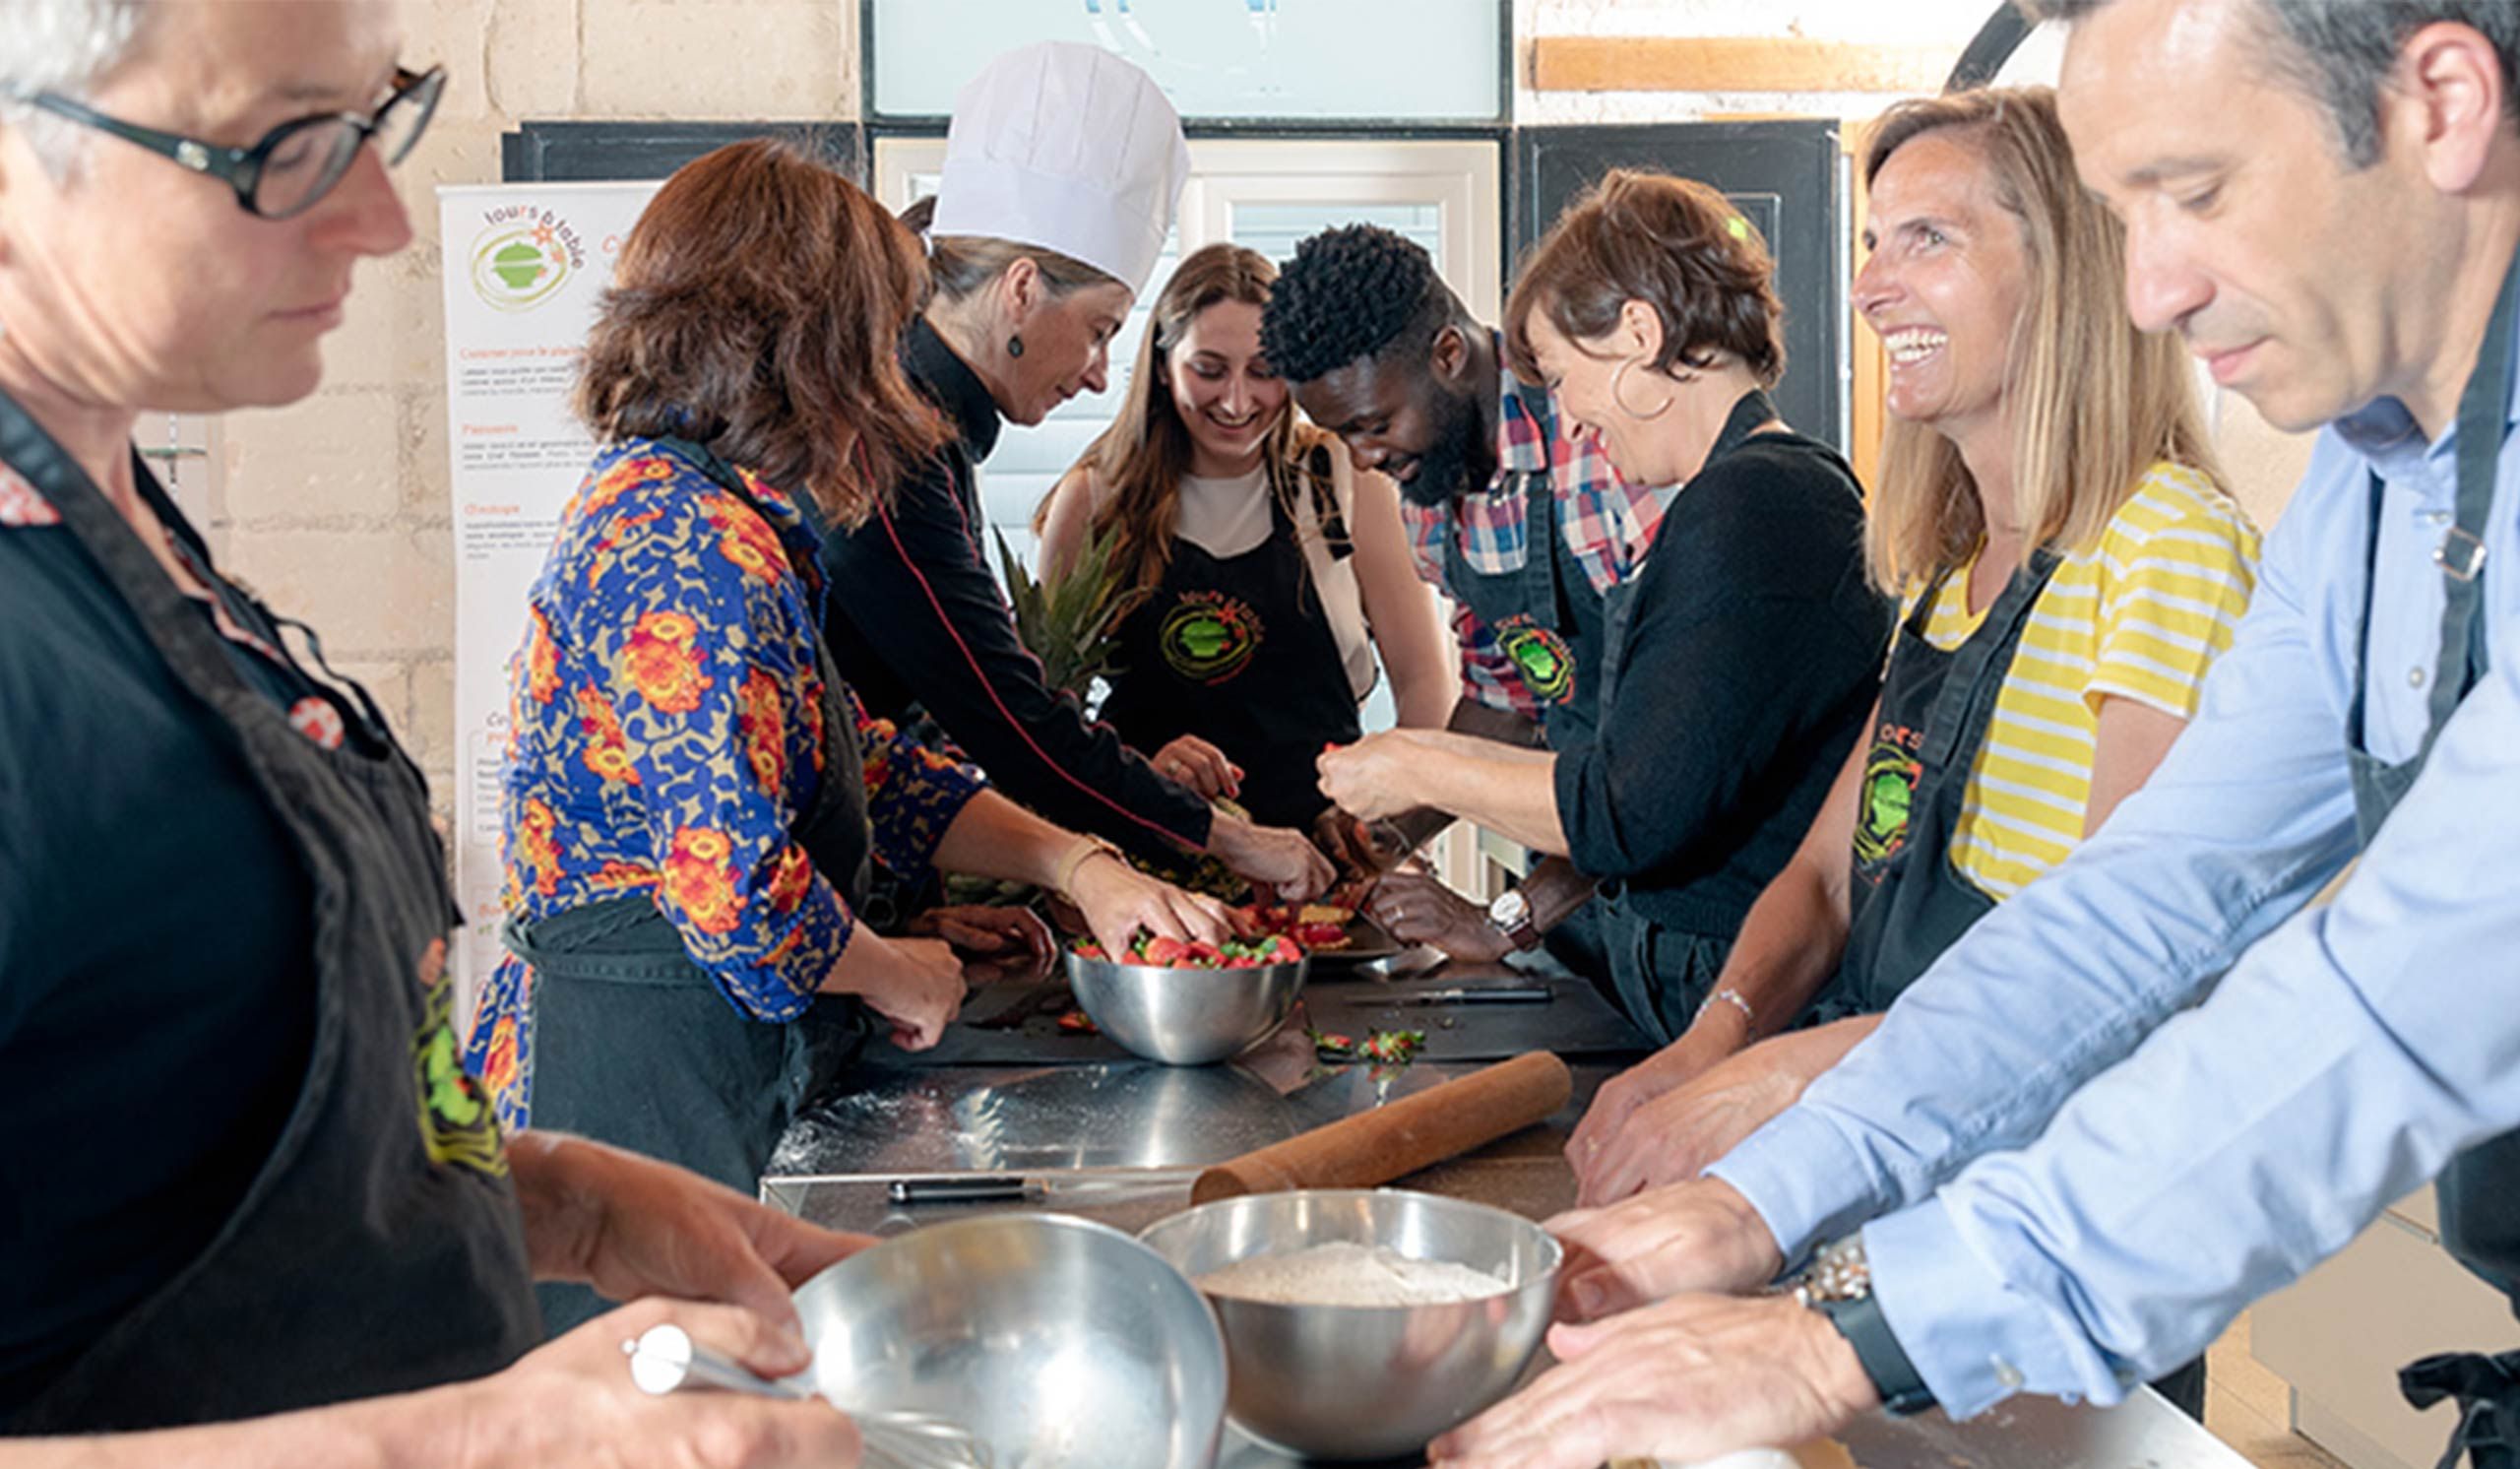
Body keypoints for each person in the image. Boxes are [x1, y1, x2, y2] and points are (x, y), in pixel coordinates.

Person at [1425, 4, 2520, 1468]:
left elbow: (2388, 1003)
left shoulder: (2185, 534)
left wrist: (1849, 1331)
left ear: (2440, 103)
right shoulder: (2380, 480)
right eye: (2126, 217)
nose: (2149, 293)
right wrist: (1760, 1198)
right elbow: (2137, 907)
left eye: (2195, 194)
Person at [0, 2, 870, 1462]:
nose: (383, 216)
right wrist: (480, 1443)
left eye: (375, 117)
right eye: (286, 143)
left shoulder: (133, 540)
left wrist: (568, 1200)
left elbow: (159, 1139)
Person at [459, 139, 1228, 1335]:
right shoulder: (688, 545)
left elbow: (857, 753)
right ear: (805, 340)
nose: (895, 370)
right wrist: (894, 966)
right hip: (638, 1075)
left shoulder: (714, 510)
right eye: (877, 334)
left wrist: (1075, 861)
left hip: (691, 1056)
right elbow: (733, 895)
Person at [1568, 88, 2261, 1213]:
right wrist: (1709, 1044)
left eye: (1927, 239)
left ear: (2067, 266)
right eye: (1871, 243)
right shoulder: (1948, 570)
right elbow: (1826, 877)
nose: (1867, 287)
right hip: (1894, 1150)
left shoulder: (2164, 542)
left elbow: (2114, 980)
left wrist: (1769, 1080)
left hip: (2045, 1208)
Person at [1315, 172, 1893, 1043]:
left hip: (1748, 983)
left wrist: (1414, 763)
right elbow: (1588, 757)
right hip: (1658, 963)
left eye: (1562, 374)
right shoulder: (1726, 495)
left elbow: (1629, 810)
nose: (1571, 418)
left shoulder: (1760, 505)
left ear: (1639, 334)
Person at [814, 42, 1333, 905]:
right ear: (1020, 289)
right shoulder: (894, 443)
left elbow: (891, 730)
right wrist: (1224, 839)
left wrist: (912, 922)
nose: (1098, 371)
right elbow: (1006, 714)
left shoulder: (918, 421)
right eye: (1099, 328)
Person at [1256, 223, 1677, 979]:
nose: (1363, 458)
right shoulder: (1428, 488)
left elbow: (1668, 762)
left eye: (1373, 424)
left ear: (1448, 355)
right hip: (1593, 902)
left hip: (1694, 899)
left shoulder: (1599, 444)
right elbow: (1506, 702)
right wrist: (1384, 833)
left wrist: (1504, 921)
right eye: (1338, 435)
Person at [1034, 242, 1454, 832]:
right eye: (1208, 370)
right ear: (1161, 366)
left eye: (1263, 372)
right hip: (1152, 854)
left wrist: (1392, 831)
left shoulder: (1340, 479)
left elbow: (1425, 682)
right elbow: (1049, 716)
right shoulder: (1095, 500)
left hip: (1327, 849)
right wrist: (1140, 768)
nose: (1237, 400)